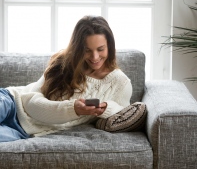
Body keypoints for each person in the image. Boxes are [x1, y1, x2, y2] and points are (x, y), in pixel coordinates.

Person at [0, 15, 132, 142]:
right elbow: (31, 105)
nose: (95, 57)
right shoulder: (63, 62)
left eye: (100, 49)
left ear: (110, 46)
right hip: (12, 101)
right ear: (78, 48)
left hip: (23, 131)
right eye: (87, 50)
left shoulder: (120, 83)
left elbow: (124, 114)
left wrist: (106, 108)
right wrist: (73, 109)